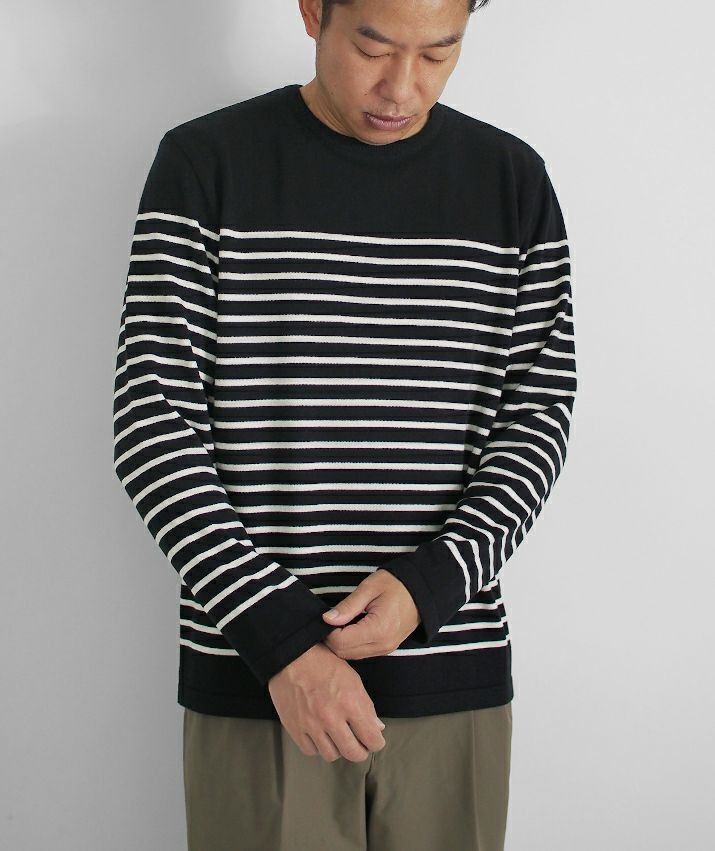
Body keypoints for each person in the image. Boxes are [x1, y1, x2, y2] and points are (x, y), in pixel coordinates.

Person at [112, 0, 577, 848]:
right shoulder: (206, 163)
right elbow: (152, 424)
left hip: (449, 674)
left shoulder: (512, 181)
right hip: (260, 680)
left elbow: (536, 420)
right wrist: (284, 643)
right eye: (372, 46)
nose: (401, 87)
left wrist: (430, 585)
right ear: (312, 11)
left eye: (437, 54)